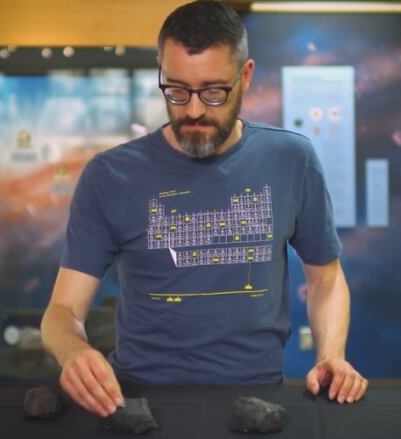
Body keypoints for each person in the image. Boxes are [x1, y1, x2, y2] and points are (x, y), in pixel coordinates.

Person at [41, 0, 368, 418]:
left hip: (257, 397)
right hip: (138, 400)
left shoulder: (291, 158)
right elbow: (62, 311)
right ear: (160, 71)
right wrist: (74, 352)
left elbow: (326, 278)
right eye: (176, 90)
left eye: (214, 92)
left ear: (245, 76)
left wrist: (331, 355)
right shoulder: (109, 175)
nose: (194, 110)